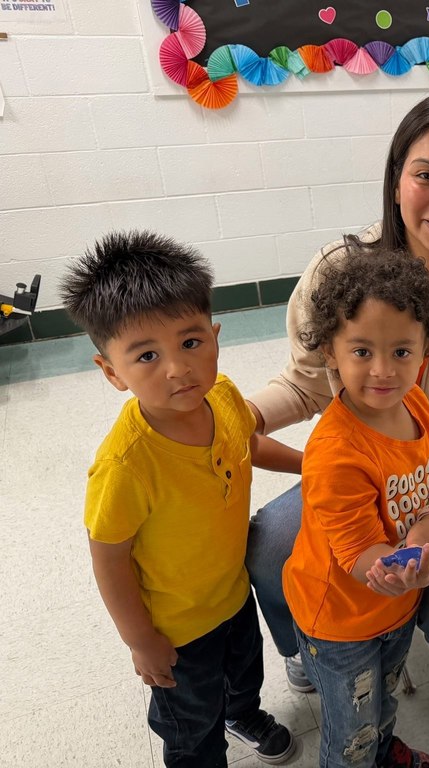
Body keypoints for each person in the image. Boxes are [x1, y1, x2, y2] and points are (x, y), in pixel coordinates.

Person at [245, 91, 429, 709]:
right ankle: (311, 651)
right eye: (427, 175)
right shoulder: (340, 268)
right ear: (397, 178)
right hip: (371, 459)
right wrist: (233, 417)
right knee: (272, 541)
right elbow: (305, 382)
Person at [59, 231, 297, 767]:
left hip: (233, 594)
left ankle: (242, 713)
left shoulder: (223, 395)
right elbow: (109, 558)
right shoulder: (125, 466)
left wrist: (309, 462)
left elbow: (248, 441)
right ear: (112, 372)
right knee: (191, 724)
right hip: (176, 627)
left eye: (190, 343)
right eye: (146, 355)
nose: (177, 368)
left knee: (243, 674)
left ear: (214, 336)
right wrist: (140, 639)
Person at [284, 247, 429, 768]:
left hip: (391, 609)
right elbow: (362, 558)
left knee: (381, 702)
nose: (383, 371)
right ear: (329, 351)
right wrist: (413, 566)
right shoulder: (337, 453)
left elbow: (418, 493)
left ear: (426, 348)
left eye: (402, 352)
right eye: (361, 351)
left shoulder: (417, 404)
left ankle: (384, 747)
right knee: (352, 730)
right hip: (340, 621)